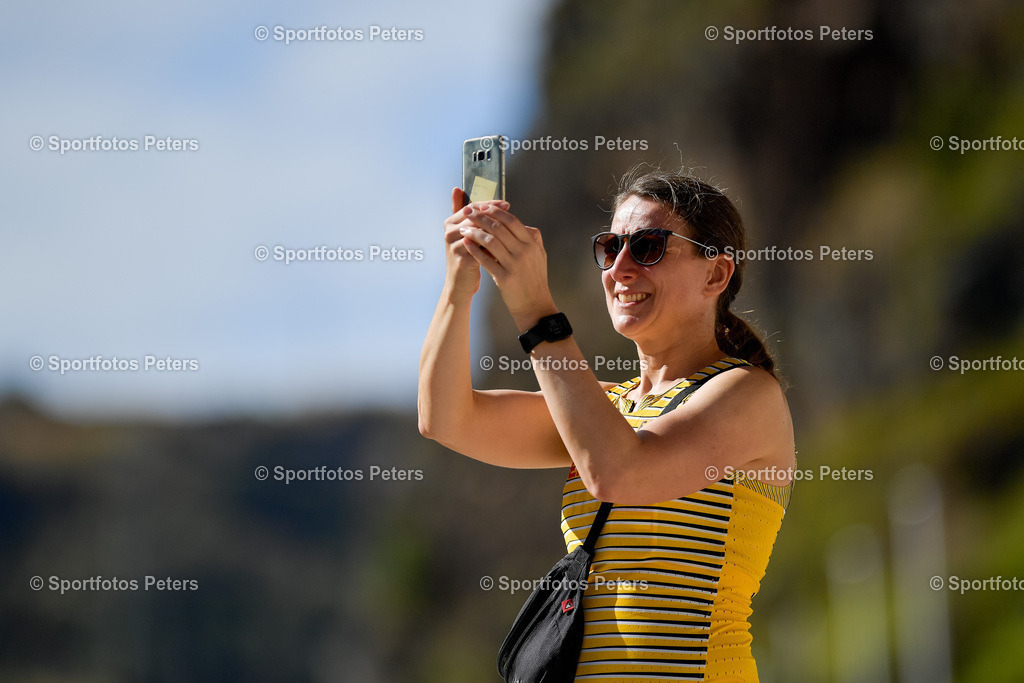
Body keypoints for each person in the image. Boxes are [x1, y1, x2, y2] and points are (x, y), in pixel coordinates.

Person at [418, 167, 795, 681]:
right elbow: (445, 417)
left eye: (648, 247)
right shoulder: (602, 411)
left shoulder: (747, 394)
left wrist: (534, 309)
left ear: (715, 275)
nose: (619, 268)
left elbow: (621, 471)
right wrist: (459, 286)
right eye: (609, 247)